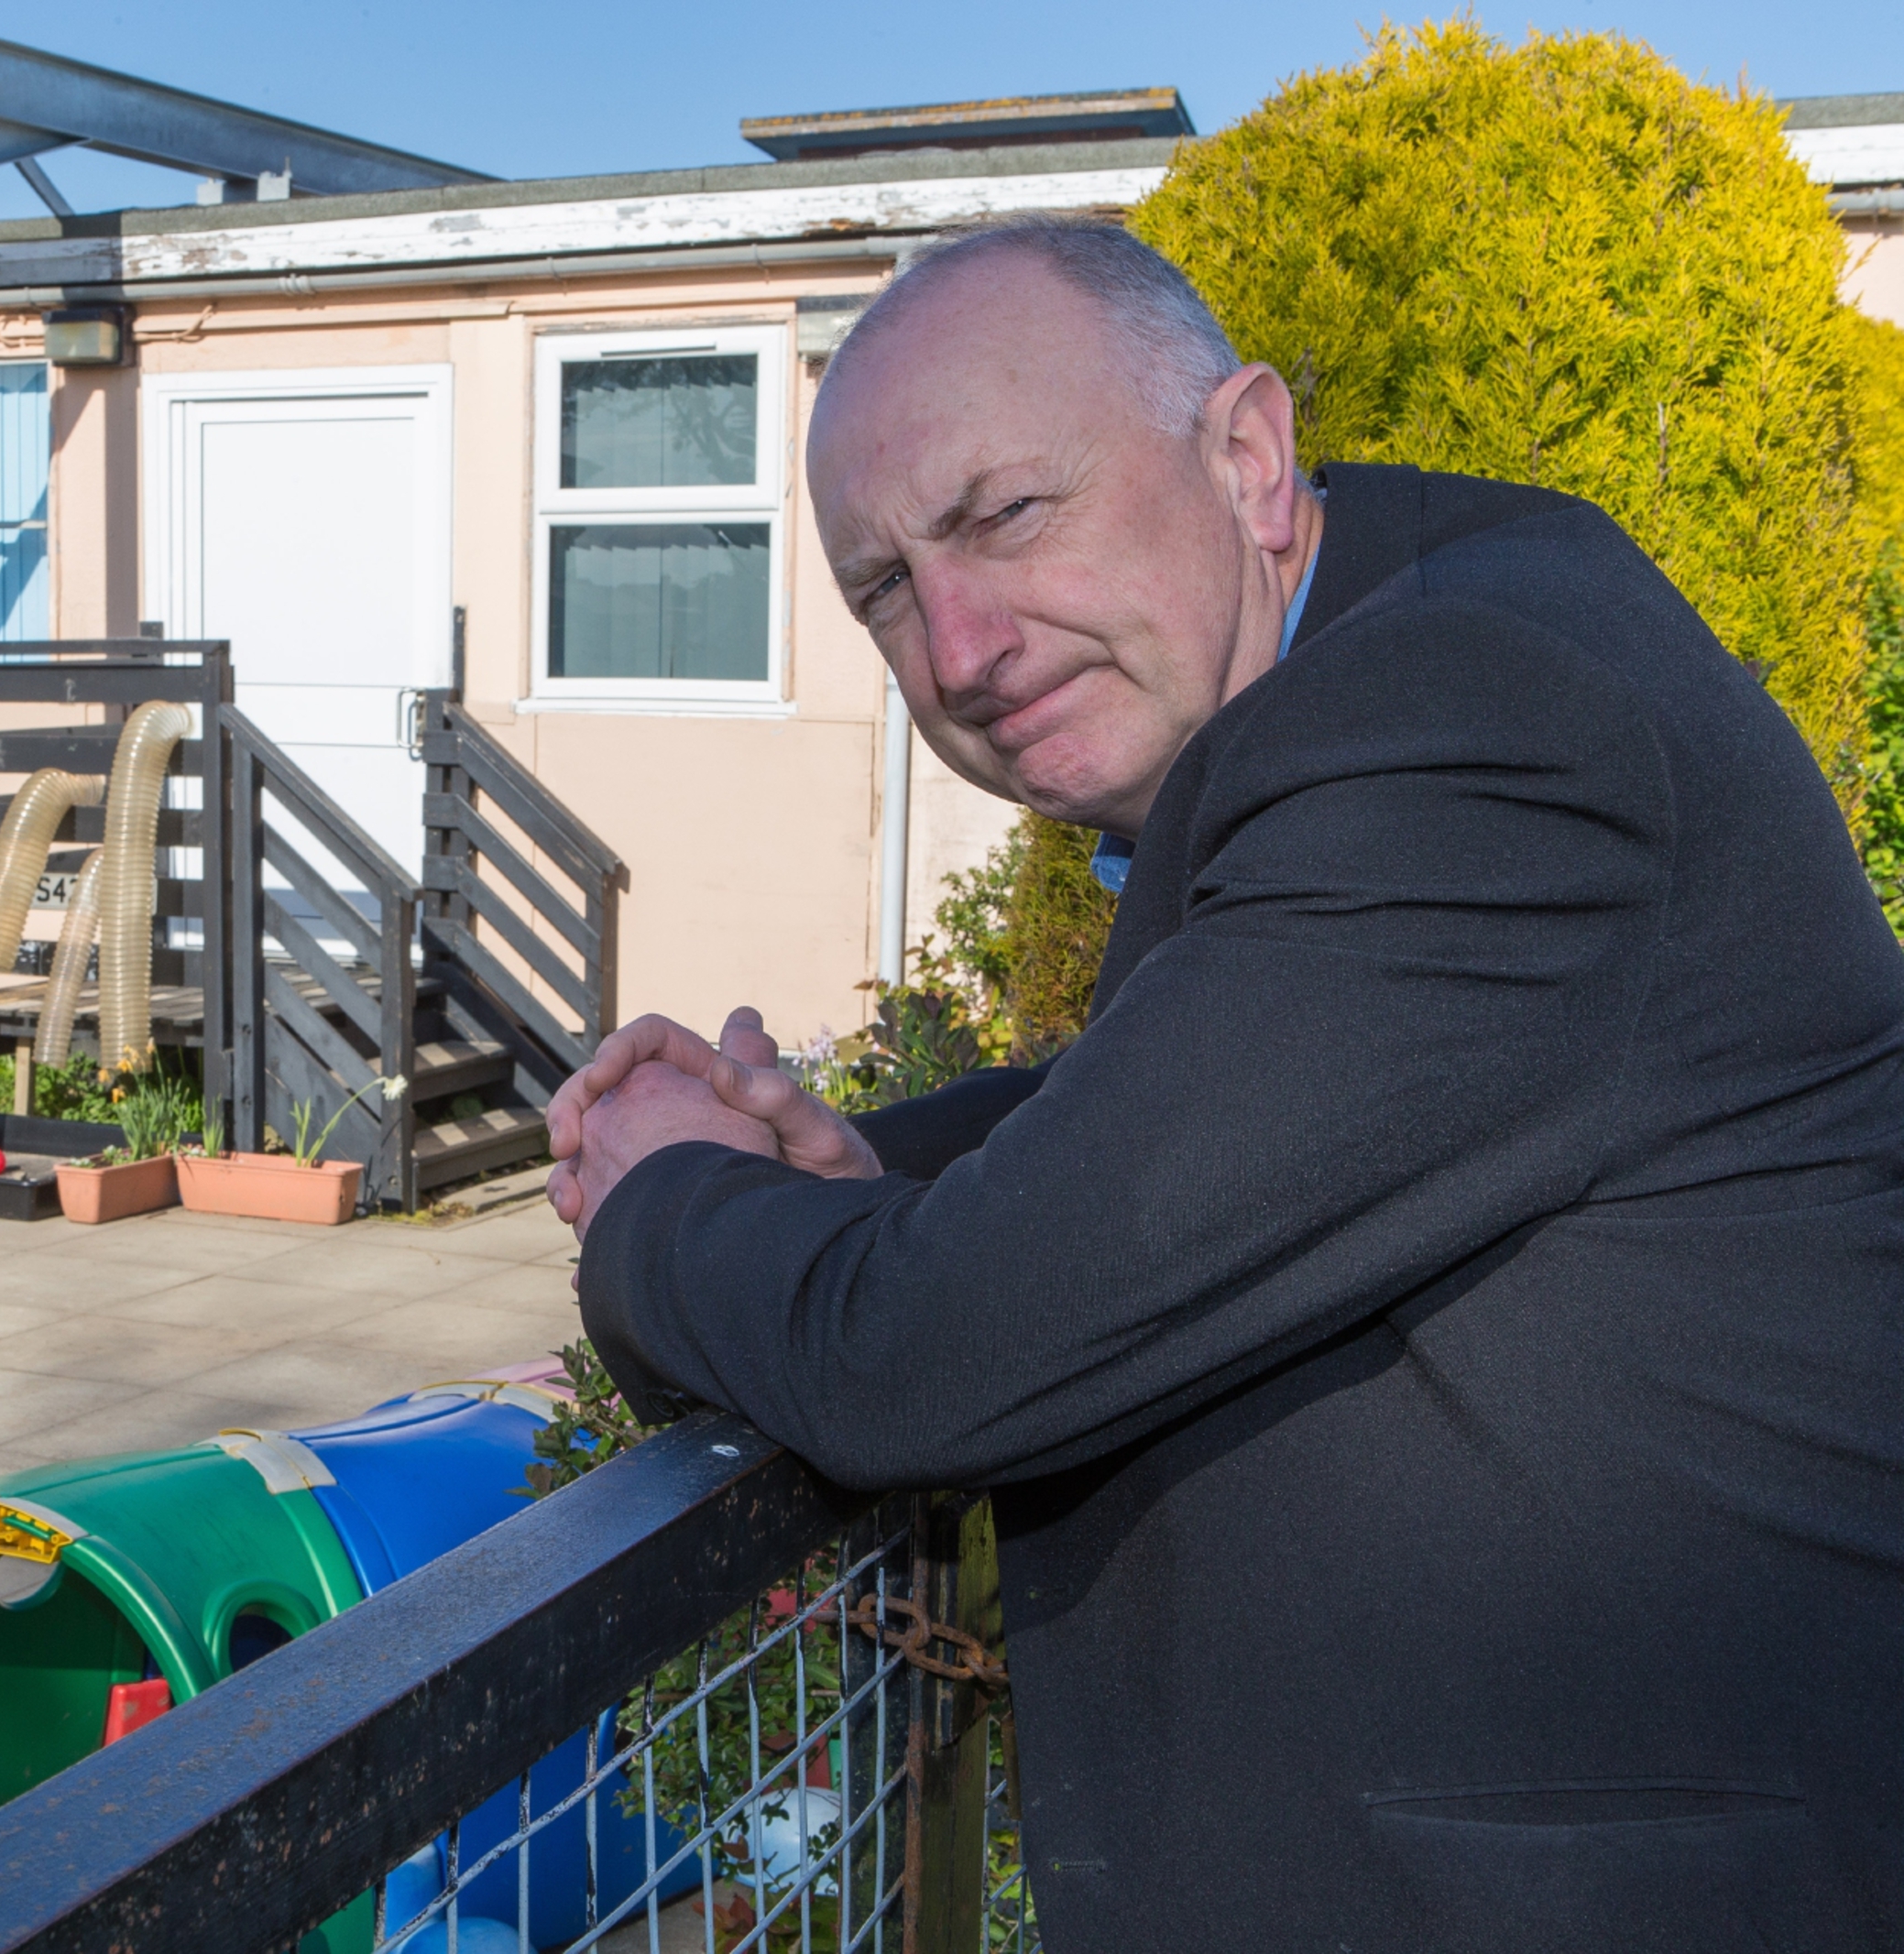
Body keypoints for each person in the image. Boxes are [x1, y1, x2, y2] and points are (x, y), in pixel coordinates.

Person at [547, 218, 1904, 1950]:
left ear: (1248, 457)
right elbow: (1180, 1079)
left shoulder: (1477, 723)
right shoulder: (1414, 642)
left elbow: (928, 1357)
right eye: (886, 586)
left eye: (1006, 515)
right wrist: (850, 1166)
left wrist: (659, 1187)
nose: (957, 649)